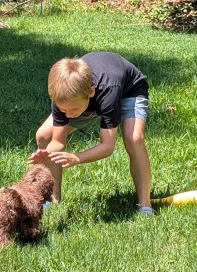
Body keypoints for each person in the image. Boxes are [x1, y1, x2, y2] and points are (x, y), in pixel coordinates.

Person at [28, 51, 153, 215]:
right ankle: (53, 198)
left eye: (72, 109)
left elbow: (107, 146)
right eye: (63, 109)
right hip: (89, 98)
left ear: (91, 93)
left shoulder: (107, 91)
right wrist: (46, 155)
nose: (68, 115)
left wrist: (76, 157)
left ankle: (145, 205)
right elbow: (57, 142)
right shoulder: (63, 95)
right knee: (44, 136)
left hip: (128, 90)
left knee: (134, 138)